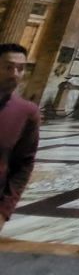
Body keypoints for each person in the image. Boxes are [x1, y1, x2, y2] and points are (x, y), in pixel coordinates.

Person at [0, 43, 39, 232]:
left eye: (20, 69)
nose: (14, 74)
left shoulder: (28, 112)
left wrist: (4, 210)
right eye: (8, 67)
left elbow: (24, 163)